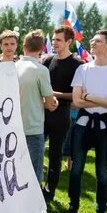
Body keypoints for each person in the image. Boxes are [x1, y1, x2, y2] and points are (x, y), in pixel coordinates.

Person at [63, 30, 107, 213]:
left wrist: (88, 96)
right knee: (76, 170)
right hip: (83, 125)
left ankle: (102, 211)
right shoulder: (83, 69)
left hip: (105, 127)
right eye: (92, 40)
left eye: (97, 41)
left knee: (102, 172)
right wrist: (105, 99)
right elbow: (76, 101)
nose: (92, 43)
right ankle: (73, 206)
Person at [16, 29, 59, 213]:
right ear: (42, 49)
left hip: (13, 129)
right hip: (32, 129)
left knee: (15, 175)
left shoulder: (12, 67)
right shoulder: (40, 70)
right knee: (32, 178)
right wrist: (52, 102)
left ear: (23, 47)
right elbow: (50, 101)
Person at [41, 26, 80, 202]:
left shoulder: (78, 65)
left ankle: (49, 191)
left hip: (61, 116)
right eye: (54, 39)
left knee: (55, 155)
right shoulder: (48, 61)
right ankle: (33, 188)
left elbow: (77, 95)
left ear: (69, 42)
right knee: (34, 152)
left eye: (58, 40)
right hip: (41, 114)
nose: (54, 43)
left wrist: (53, 94)